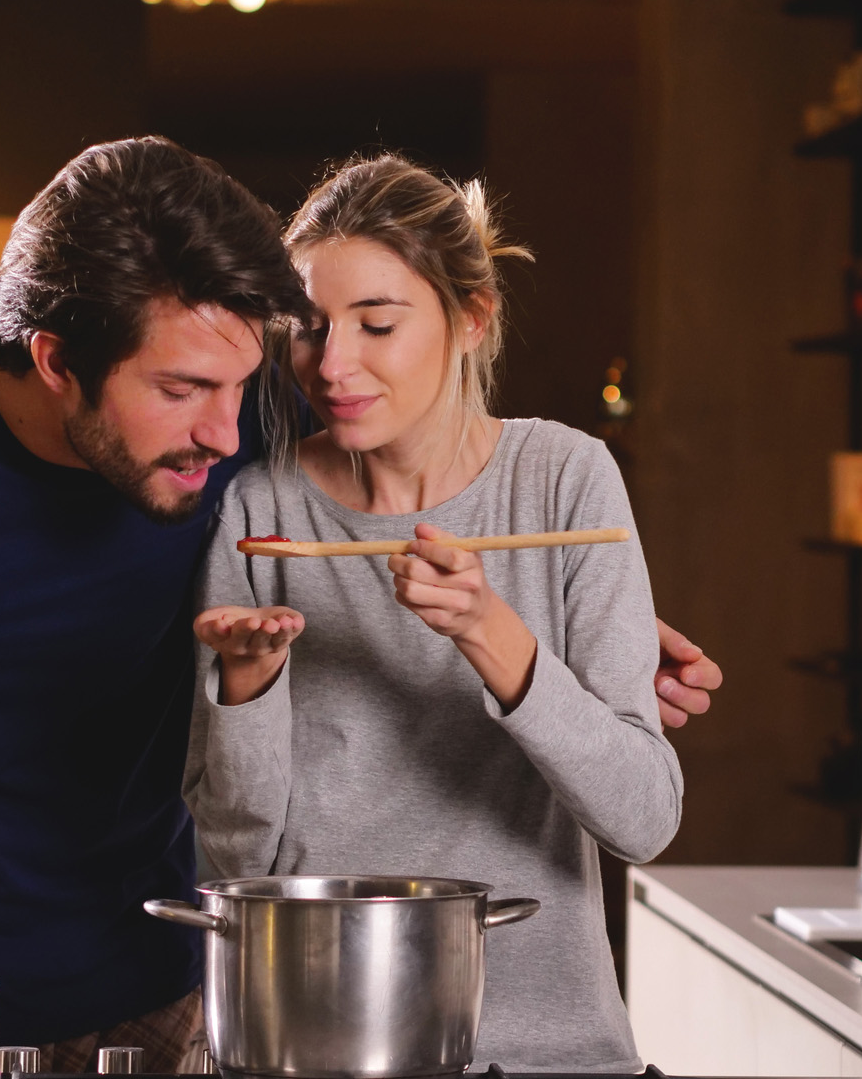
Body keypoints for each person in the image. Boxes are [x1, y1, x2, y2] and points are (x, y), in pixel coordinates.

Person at [0, 137, 720, 1071]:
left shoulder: (250, 409)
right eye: (183, 392)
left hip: (156, 995)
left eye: (249, 381)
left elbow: (389, 500)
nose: (228, 433)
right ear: (57, 361)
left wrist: (586, 641)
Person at [185, 156, 679, 1073]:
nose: (333, 365)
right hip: (314, 1043)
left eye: (377, 323)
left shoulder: (565, 480)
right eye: (308, 330)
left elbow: (644, 818)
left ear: (471, 318)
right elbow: (232, 864)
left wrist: (497, 638)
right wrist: (247, 694)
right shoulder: (262, 510)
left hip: (551, 1051)